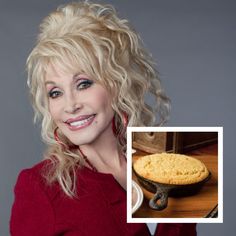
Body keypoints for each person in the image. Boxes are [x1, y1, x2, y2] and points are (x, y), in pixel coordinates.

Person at [10, 1, 196, 235]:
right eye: (55, 92)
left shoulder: (170, 164)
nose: (70, 105)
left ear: (116, 84)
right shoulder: (41, 187)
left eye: (83, 84)